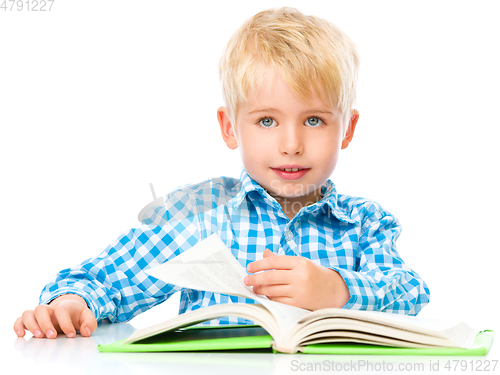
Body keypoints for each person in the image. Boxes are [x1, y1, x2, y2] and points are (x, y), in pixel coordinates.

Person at [14, 7, 430, 340]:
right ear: (230, 127)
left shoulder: (364, 223)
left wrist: (337, 290)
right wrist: (70, 302)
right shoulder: (200, 212)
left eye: (315, 121)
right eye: (267, 121)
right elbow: (109, 277)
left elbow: (410, 291)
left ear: (348, 129)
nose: (291, 144)